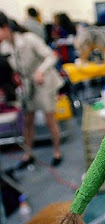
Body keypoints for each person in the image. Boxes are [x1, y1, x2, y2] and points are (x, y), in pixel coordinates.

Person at [0, 12, 64, 167]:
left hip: (44, 81)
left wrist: (40, 71)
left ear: (6, 28)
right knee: (28, 120)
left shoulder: (29, 39)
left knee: (50, 118)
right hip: (27, 84)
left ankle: (57, 152)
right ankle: (28, 154)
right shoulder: (4, 47)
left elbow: (52, 56)